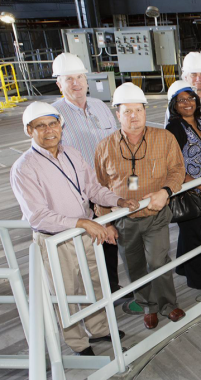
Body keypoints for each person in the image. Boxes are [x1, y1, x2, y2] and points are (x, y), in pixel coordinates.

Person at [11, 102, 139, 356]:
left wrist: (118, 200)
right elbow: (37, 216)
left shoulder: (71, 153)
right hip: (57, 240)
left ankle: (99, 328)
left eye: (53, 123)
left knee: (94, 283)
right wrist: (82, 222)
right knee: (65, 292)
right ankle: (78, 343)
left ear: (61, 125)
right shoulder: (24, 167)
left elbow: (92, 189)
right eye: (41, 126)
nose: (49, 130)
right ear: (29, 130)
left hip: (87, 234)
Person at [95, 83, 186, 330]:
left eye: (138, 110)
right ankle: (148, 306)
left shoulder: (164, 138)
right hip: (124, 221)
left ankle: (168, 305)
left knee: (157, 262)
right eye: (127, 111)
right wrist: (106, 223)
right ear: (118, 115)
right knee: (135, 266)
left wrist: (166, 192)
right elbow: (99, 188)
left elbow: (178, 170)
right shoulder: (105, 147)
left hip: (155, 215)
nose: (134, 116)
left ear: (146, 111)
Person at [51, 53, 124, 294]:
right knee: (94, 245)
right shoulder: (54, 115)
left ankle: (112, 286)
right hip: (82, 194)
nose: (76, 83)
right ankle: (101, 293)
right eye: (69, 79)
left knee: (112, 241)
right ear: (59, 84)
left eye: (80, 77)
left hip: (110, 188)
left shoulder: (99, 106)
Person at [165, 81, 201, 291]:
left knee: (191, 230)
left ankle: (183, 267)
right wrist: (197, 185)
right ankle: (199, 279)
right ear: (174, 106)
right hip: (188, 189)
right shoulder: (175, 127)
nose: (187, 103)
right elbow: (172, 163)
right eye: (181, 100)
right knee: (192, 233)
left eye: (191, 98)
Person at [164, 52, 201, 127]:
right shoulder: (176, 103)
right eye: (193, 75)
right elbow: (168, 132)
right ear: (185, 77)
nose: (198, 79)